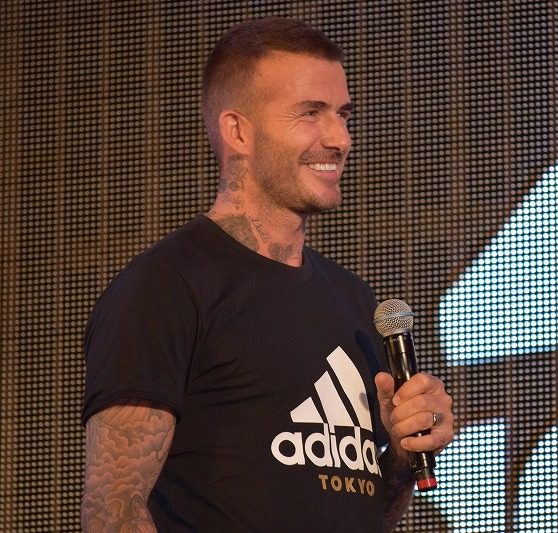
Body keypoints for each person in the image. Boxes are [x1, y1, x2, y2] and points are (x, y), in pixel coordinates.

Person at [81, 16, 454, 532]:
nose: (340, 139)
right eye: (311, 113)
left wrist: (401, 454)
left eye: (343, 115)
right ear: (238, 131)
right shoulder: (168, 287)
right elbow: (113, 512)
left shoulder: (354, 303)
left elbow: (366, 514)